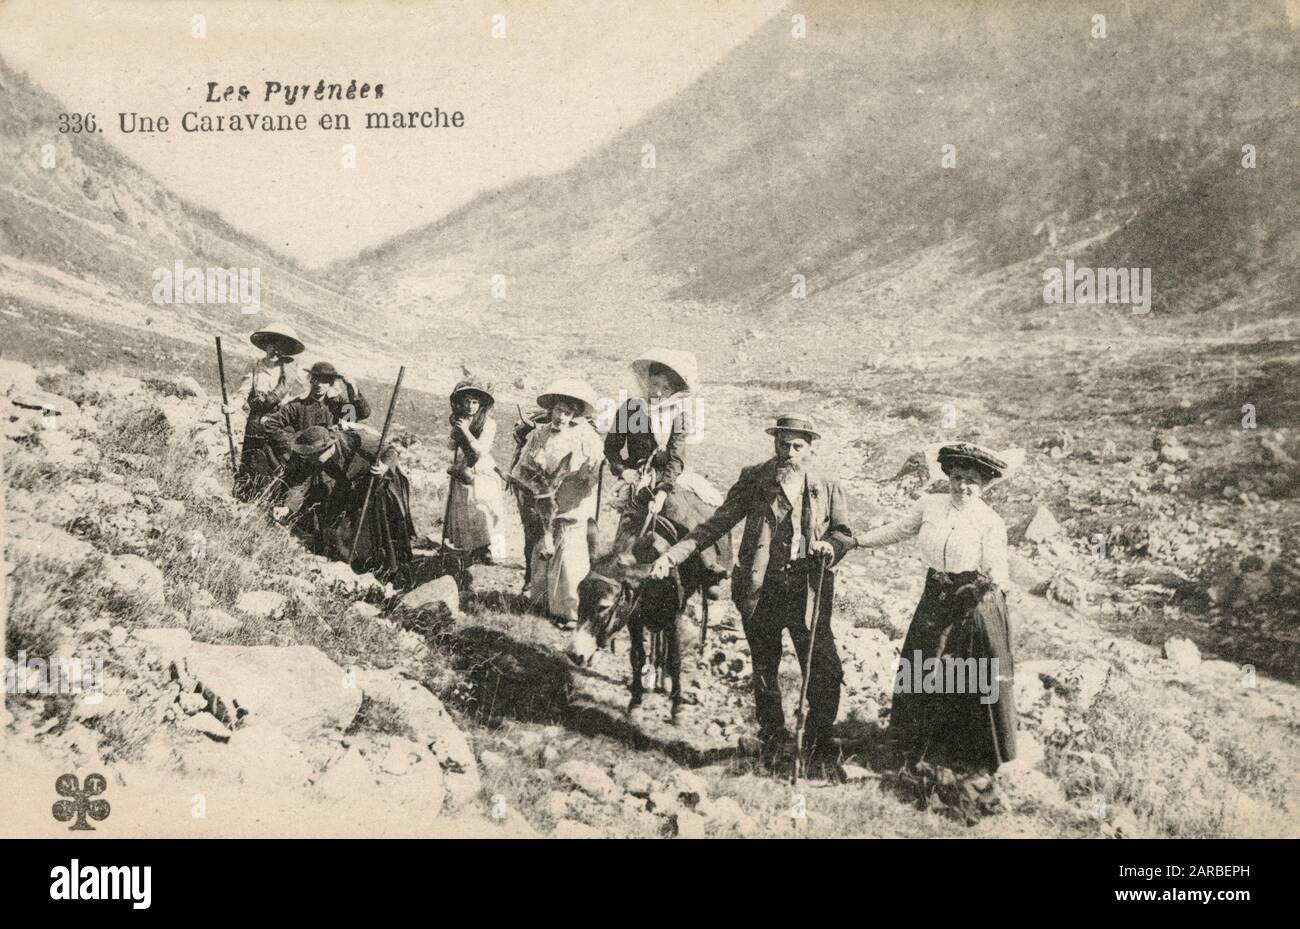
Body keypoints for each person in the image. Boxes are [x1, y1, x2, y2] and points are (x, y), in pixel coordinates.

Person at [650, 414, 856, 769]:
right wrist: (673, 554)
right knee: (765, 666)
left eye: (797, 446)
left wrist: (830, 547)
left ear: (810, 448)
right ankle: (772, 737)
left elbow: (843, 532)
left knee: (823, 666)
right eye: (782, 444)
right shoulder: (755, 477)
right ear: (774, 444)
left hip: (809, 590)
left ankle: (819, 739)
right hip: (762, 590)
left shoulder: (827, 483)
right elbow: (716, 524)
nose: (789, 452)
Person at [854, 442, 1018, 773]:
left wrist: (992, 588)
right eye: (956, 477)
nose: (962, 486)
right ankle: (912, 745)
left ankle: (955, 752)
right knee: (922, 663)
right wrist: (858, 541)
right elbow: (899, 530)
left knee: (959, 672)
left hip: (968, 601)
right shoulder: (930, 504)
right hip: (934, 596)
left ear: (983, 484)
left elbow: (997, 567)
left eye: (971, 480)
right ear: (947, 477)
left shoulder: (990, 521)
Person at [603, 348, 731, 597]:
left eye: (665, 387)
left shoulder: (679, 416)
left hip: (670, 475)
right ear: (646, 383)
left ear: (675, 391)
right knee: (628, 521)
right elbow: (612, 447)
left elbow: (675, 459)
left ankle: (710, 568)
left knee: (691, 511)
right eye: (654, 384)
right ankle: (613, 571)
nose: (658, 392)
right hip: (639, 476)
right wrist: (624, 471)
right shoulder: (631, 409)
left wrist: (662, 492)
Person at [510, 378, 604, 629]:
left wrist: (580, 476)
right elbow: (523, 466)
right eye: (558, 410)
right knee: (542, 549)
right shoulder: (539, 434)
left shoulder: (587, 437)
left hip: (572, 501)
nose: (561, 417)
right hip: (543, 501)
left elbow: (593, 473)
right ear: (551, 409)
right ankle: (540, 602)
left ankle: (569, 611)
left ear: (575, 415)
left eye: (568, 412)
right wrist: (534, 477)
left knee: (570, 557)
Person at [272, 424, 416, 583]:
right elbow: (301, 484)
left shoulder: (358, 440)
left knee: (384, 531)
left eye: (314, 455)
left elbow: (390, 451)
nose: (311, 459)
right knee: (347, 530)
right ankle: (361, 570)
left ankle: (395, 573)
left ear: (328, 447)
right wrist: (287, 507)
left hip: (380, 485)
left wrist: (384, 467)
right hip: (354, 487)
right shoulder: (314, 457)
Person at [228, 322, 307, 500]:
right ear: (265, 346)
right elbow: (243, 393)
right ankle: (244, 497)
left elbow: (307, 390)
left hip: (279, 422)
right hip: (255, 422)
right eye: (271, 345)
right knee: (251, 459)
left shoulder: (290, 370)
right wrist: (231, 407)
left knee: (275, 462)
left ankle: (269, 502)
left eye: (279, 346)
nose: (275, 350)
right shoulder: (254, 367)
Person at [262, 360, 371, 469]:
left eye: (324, 381)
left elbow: (362, 413)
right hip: (304, 463)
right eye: (316, 380)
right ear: (311, 381)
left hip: (330, 463)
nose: (319, 385)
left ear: (330, 384)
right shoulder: (297, 405)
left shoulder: (337, 404)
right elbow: (270, 425)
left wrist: (351, 387)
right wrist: (292, 444)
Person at [442, 379, 505, 563]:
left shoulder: (488, 423)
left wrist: (466, 433)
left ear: (481, 404)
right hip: (464, 468)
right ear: (461, 403)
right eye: (467, 401)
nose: (471, 406)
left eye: (475, 402)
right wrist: (456, 432)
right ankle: (471, 548)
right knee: (465, 508)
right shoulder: (460, 420)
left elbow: (481, 450)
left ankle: (488, 550)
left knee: (483, 508)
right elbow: (451, 446)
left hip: (482, 469)